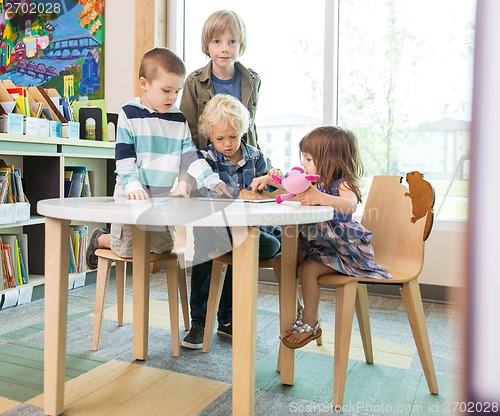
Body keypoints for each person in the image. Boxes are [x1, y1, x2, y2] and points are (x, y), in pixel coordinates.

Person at [85, 47, 230, 269]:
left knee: (163, 248)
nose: (172, 97)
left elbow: (190, 157)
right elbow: (124, 158)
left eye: (177, 92)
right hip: (131, 193)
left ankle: (117, 237)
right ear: (144, 84)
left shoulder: (178, 119)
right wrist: (132, 185)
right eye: (166, 90)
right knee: (127, 248)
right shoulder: (129, 113)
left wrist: (210, 179)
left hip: (161, 197)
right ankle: (100, 238)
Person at [255, 126, 391, 349]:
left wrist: (321, 197)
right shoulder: (311, 183)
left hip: (340, 248)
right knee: (281, 260)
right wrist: (269, 179)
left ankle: (311, 321)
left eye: (308, 159)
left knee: (307, 270)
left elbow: (350, 205)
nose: (304, 164)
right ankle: (297, 307)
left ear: (331, 160)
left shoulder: (342, 184)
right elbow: (287, 186)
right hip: (315, 244)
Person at [181, 94, 281, 349]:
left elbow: (277, 185)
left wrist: (273, 179)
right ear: (210, 136)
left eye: (233, 137)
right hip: (212, 229)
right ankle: (199, 323)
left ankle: (226, 320)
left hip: (244, 230)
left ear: (242, 131)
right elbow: (206, 189)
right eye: (220, 138)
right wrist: (240, 192)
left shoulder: (256, 157)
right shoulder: (205, 159)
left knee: (263, 246)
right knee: (203, 261)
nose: (227, 144)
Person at [179, 9, 260, 150]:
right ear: (207, 45)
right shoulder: (194, 82)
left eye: (232, 42)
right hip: (207, 162)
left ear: (241, 44)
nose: (225, 49)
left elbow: (250, 127)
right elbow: (188, 130)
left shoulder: (252, 80)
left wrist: (260, 158)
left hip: (244, 162)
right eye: (217, 41)